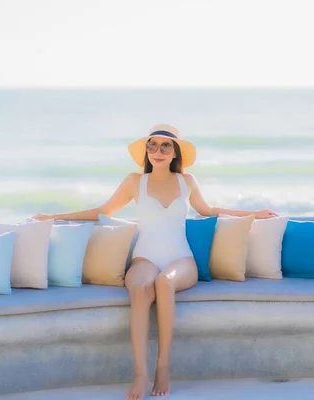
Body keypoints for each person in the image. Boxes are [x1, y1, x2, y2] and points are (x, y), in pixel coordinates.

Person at [33, 124, 277, 399]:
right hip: (145, 258)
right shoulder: (135, 182)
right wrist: (54, 216)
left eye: (165, 146)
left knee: (164, 282)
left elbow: (208, 211)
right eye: (152, 145)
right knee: (139, 287)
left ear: (175, 153)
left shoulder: (187, 181)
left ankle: (163, 366)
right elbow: (103, 211)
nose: (157, 151)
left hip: (181, 260)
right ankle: (141, 373)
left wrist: (254, 214)